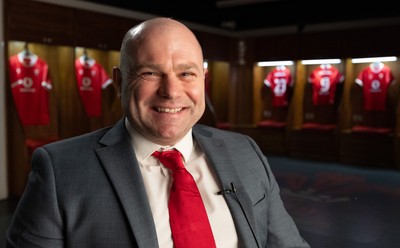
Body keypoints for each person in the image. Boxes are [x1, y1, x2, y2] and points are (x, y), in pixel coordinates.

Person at [5, 17, 310, 248]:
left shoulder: (246, 151)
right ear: (121, 81)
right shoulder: (61, 170)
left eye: (186, 73)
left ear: (202, 80)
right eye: (151, 72)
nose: (171, 91)